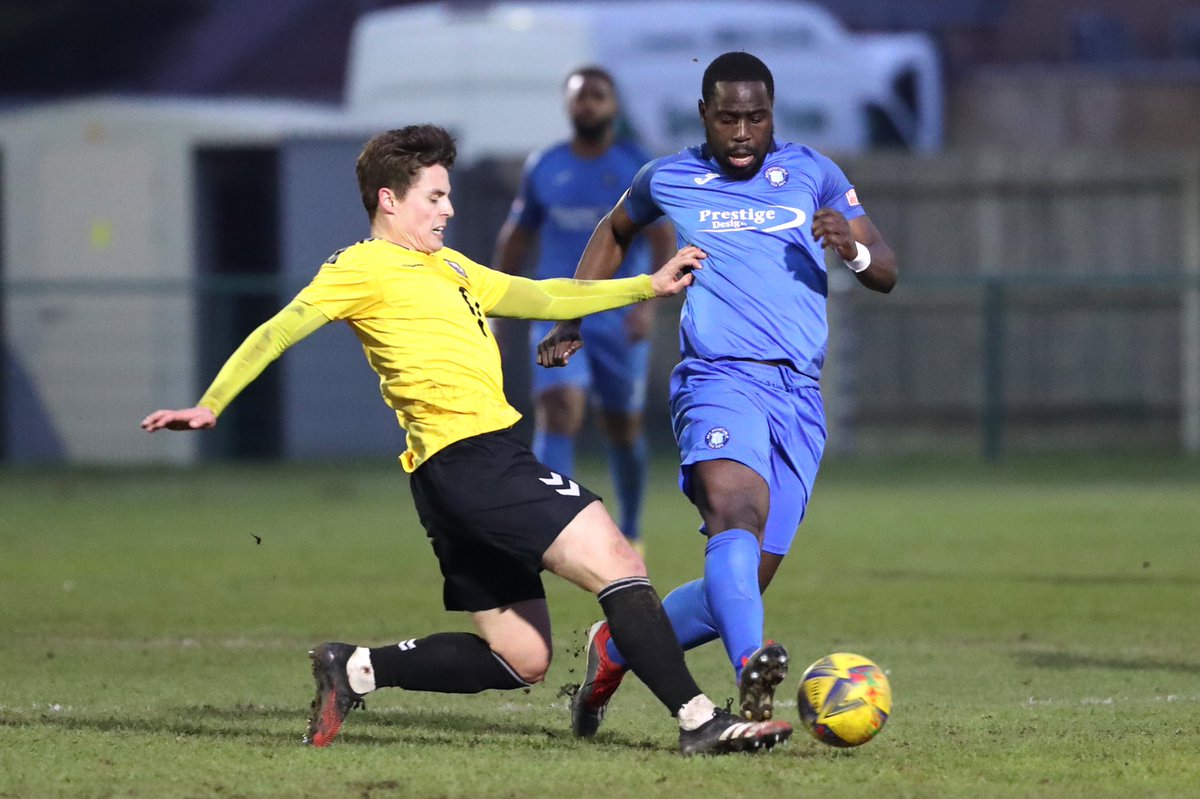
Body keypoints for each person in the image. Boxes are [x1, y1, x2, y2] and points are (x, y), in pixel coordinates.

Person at [141, 124, 792, 755]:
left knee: (523, 657)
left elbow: (539, 293)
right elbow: (277, 330)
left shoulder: (449, 264)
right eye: (435, 196)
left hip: (455, 475)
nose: (449, 208)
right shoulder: (360, 268)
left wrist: (646, 285)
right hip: (472, 460)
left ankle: (356, 667)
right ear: (389, 200)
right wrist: (210, 403)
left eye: (448, 195)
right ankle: (699, 719)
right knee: (619, 564)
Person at [537, 53, 898, 737]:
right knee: (735, 511)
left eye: (755, 117)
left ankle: (613, 648)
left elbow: (885, 268)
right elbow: (615, 231)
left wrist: (849, 250)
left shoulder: (814, 173)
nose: (741, 131)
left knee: (742, 584)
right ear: (705, 113)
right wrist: (571, 316)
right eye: (728, 117)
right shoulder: (668, 177)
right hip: (717, 378)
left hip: (798, 393)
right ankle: (751, 665)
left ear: (772, 115)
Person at [492, 66, 675, 552]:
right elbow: (516, 238)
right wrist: (496, 309)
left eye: (598, 96)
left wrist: (648, 307)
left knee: (622, 425)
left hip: (619, 311)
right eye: (580, 97)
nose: (588, 104)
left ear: (614, 105)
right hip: (556, 307)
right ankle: (553, 529)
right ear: (567, 105)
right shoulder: (544, 165)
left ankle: (631, 528)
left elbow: (662, 236)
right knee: (558, 407)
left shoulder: (637, 165)